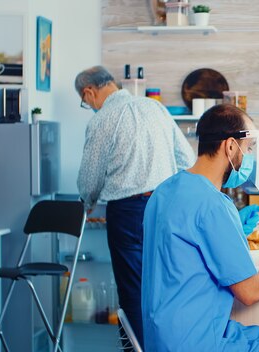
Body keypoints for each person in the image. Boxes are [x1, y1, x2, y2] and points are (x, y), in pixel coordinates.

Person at [141, 104, 259, 352]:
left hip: (166, 336)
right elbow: (250, 291)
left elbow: (180, 250)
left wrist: (233, 233)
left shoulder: (165, 190)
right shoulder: (212, 204)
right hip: (198, 342)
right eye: (249, 148)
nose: (250, 157)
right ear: (231, 146)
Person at [74, 65, 196, 346]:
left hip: (127, 213)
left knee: (134, 292)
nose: (88, 105)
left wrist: (87, 202)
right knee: (165, 288)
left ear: (89, 92)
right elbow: (187, 160)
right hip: (165, 208)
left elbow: (90, 178)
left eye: (85, 101)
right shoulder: (156, 109)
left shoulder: (102, 119)